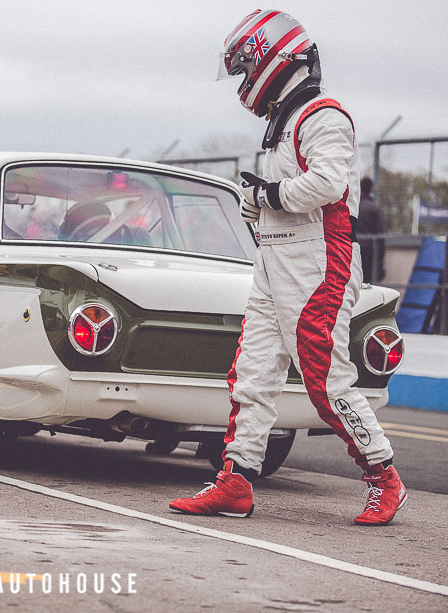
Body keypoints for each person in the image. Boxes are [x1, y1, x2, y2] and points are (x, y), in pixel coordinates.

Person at [169, 9, 407, 526]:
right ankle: (235, 482)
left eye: (244, 69)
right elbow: (285, 195)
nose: (242, 81)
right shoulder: (285, 125)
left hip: (320, 263)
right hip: (275, 261)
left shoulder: (324, 115)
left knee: (325, 380)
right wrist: (257, 201)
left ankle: (384, 477)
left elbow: (326, 185)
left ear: (272, 58)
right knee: (251, 376)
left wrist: (267, 195)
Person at [356, 177, 386, 283]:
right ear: (372, 189)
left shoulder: (353, 206)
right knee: (368, 283)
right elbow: (380, 234)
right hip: (370, 251)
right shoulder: (374, 208)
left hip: (353, 248)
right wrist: (381, 256)